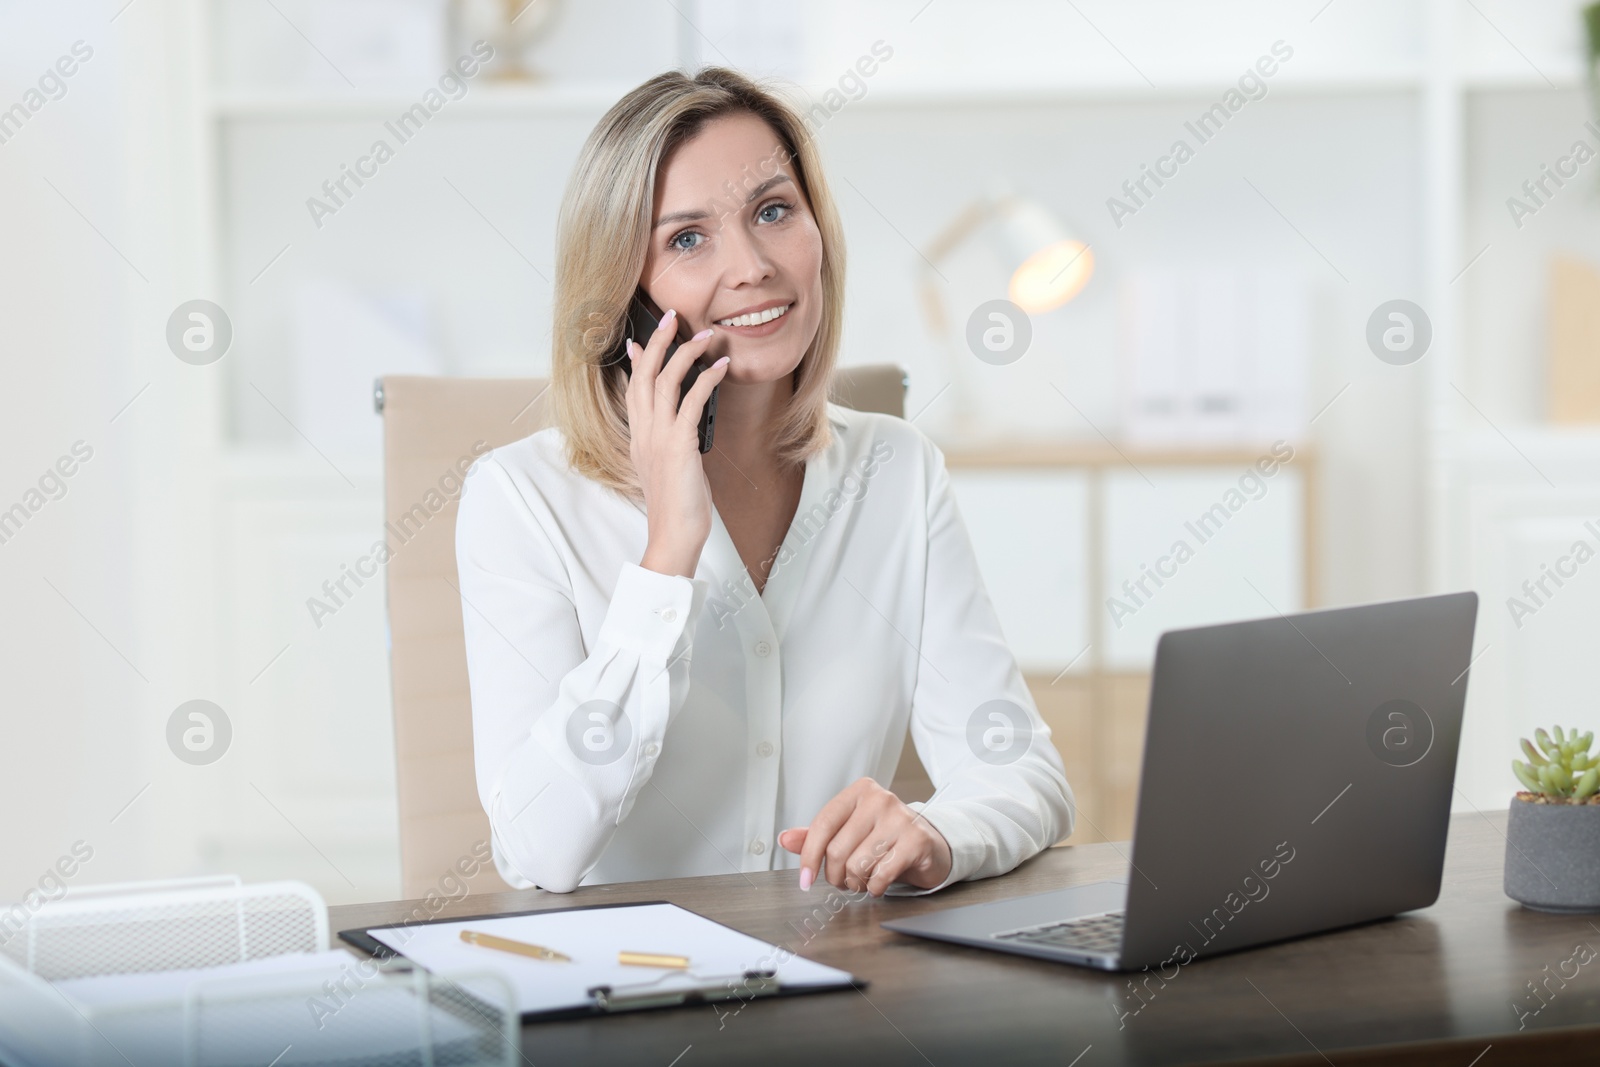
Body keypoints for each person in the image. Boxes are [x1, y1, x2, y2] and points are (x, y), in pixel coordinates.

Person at [455, 66, 1074, 897]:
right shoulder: (520, 501)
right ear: (622, 297)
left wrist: (935, 831)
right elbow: (537, 849)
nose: (750, 266)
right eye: (686, 238)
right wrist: (668, 554)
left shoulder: (897, 472)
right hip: (625, 1001)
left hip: (840, 989)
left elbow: (1022, 772)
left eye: (773, 211)